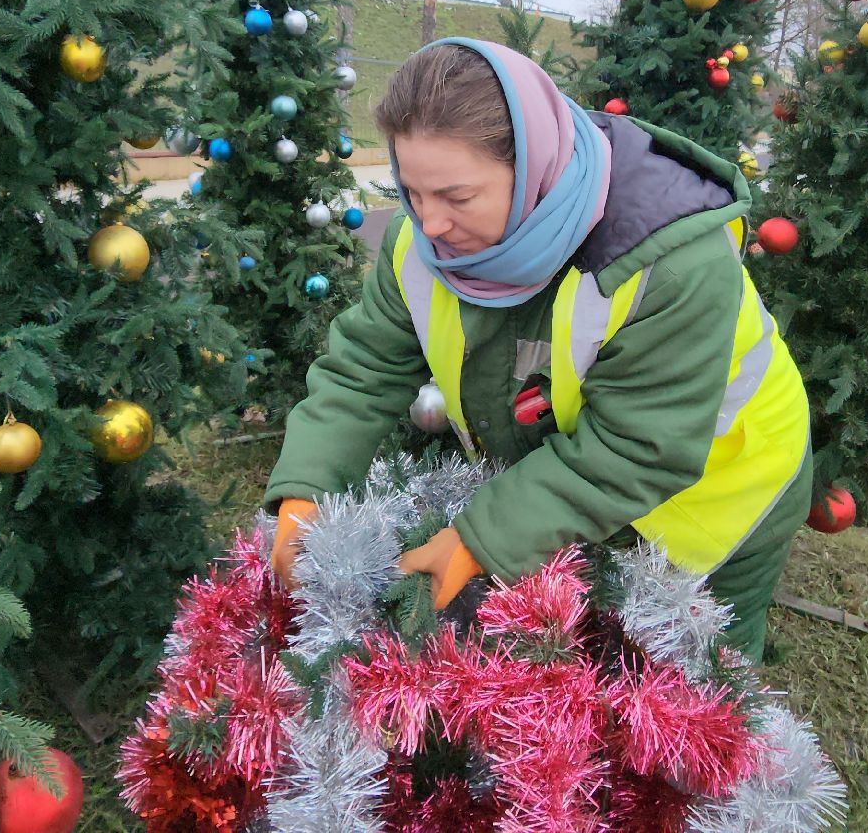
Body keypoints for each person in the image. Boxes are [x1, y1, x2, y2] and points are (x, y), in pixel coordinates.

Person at [263, 38, 811, 659]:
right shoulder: (421, 245)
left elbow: (640, 446)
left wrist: (482, 537)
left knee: (693, 678)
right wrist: (308, 487)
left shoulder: (672, 265)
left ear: (532, 169)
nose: (429, 224)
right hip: (583, 490)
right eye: (411, 192)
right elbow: (363, 370)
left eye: (457, 197)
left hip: (722, 490)